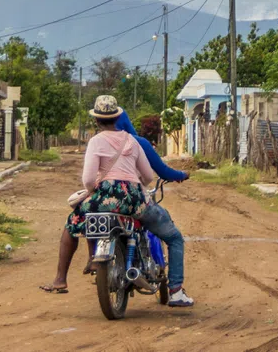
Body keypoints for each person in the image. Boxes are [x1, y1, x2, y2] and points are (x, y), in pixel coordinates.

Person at [40, 95, 155, 295]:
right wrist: (133, 187)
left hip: (106, 194)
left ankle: (60, 279)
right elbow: (148, 176)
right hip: (133, 197)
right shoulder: (133, 141)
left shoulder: (96, 141)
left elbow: (88, 179)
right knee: (139, 226)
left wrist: (94, 191)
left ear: (96, 119)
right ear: (117, 117)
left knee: (74, 222)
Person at [114, 110, 194, 307]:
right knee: (174, 238)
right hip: (134, 201)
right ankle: (175, 291)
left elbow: (88, 178)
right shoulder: (137, 142)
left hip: (104, 204)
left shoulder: (96, 142)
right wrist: (181, 174)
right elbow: (158, 173)